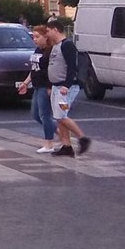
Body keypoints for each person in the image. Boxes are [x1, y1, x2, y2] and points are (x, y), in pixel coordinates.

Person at [43, 18, 91, 157]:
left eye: (48, 31)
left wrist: (66, 85)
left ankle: (82, 138)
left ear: (55, 30)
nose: (47, 34)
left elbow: (72, 66)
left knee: (61, 115)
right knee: (59, 117)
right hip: (57, 87)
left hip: (65, 88)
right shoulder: (56, 45)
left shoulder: (67, 45)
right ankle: (66, 145)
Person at [18, 23, 58, 153]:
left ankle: (49, 143)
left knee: (44, 115)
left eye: (37, 37)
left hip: (45, 85)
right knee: (35, 115)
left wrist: (50, 86)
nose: (34, 39)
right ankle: (59, 131)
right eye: (33, 37)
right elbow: (34, 69)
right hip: (36, 85)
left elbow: (52, 70)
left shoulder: (50, 51)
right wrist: (25, 82)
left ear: (46, 37)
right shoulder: (37, 50)